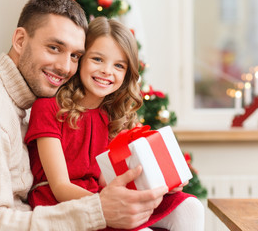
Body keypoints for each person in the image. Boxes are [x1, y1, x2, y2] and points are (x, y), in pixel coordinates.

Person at [0, 0, 168, 230]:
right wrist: (98, 210)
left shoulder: (20, 104)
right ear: (20, 40)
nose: (66, 67)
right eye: (54, 48)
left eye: (75, 56)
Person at [25, 16, 205, 231]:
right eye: (98, 59)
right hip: (63, 204)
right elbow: (60, 187)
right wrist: (110, 205)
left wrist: (162, 186)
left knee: (191, 207)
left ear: (127, 73)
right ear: (80, 59)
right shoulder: (49, 108)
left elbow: (107, 180)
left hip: (101, 195)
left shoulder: (111, 116)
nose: (107, 71)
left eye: (119, 65)